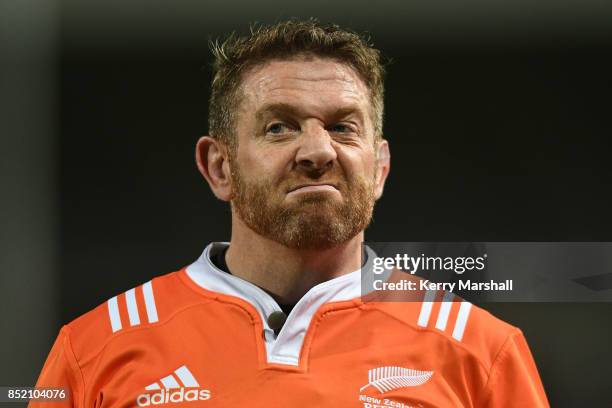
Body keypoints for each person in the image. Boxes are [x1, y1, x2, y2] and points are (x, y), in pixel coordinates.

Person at [31, 20, 549, 407]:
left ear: (381, 168)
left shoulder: (481, 351)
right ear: (219, 167)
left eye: (344, 127)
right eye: (279, 127)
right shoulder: (93, 348)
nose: (318, 150)